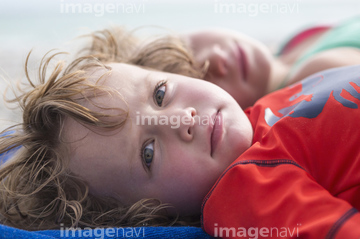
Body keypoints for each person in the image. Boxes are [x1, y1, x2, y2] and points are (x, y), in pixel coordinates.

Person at [1, 27, 360, 239]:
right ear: (149, 213)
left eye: (160, 94)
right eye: (148, 153)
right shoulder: (247, 196)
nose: (182, 120)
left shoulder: (265, 106)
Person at [181, 16, 360, 108]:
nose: (215, 57)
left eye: (187, 49)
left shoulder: (290, 45)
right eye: (198, 77)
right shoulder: (312, 80)